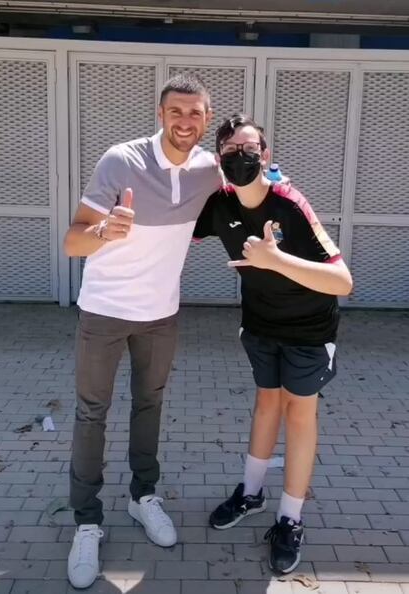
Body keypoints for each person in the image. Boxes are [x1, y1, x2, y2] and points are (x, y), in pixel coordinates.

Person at [63, 73, 223, 589]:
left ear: (206, 119)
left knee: (149, 406)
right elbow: (72, 241)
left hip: (160, 315)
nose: (185, 122)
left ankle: (142, 497)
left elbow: (255, 190)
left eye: (195, 113)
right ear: (160, 114)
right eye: (176, 112)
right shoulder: (121, 160)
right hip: (105, 311)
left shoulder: (208, 169)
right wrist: (102, 231)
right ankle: (87, 521)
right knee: (92, 413)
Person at [193, 114, 353, 575]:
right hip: (261, 326)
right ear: (219, 160)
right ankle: (251, 493)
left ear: (265, 155)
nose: (241, 158)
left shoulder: (290, 205)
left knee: (298, 414)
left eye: (250, 149)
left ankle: (290, 518)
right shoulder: (219, 205)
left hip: (308, 331)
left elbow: (343, 281)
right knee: (266, 405)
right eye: (231, 151)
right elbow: (174, 229)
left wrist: (275, 259)